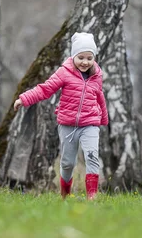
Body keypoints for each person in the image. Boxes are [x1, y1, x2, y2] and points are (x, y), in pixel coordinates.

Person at [14, 32, 108, 200]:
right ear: (73, 56)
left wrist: (104, 119)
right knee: (67, 163)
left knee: (92, 156)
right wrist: (24, 98)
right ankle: (65, 194)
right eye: (81, 57)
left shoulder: (97, 76)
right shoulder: (64, 73)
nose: (85, 62)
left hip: (90, 124)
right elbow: (46, 89)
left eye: (89, 58)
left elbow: (100, 97)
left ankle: (92, 197)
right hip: (68, 124)